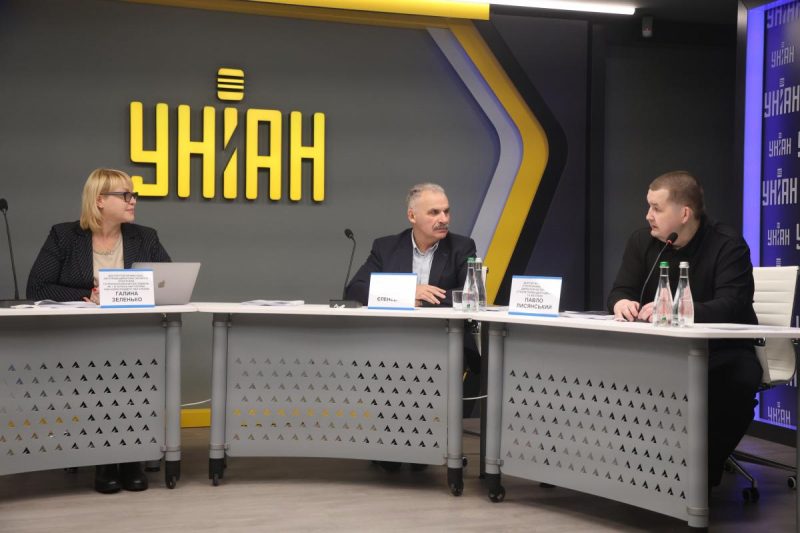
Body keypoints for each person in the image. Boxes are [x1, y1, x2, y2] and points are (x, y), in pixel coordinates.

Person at [607, 170, 760, 489]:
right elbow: (621, 289)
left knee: (739, 379)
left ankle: (700, 478)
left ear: (684, 213)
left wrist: (675, 311)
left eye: (656, 208)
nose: (648, 216)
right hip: (660, 349)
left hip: (721, 351)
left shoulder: (728, 245)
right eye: (648, 206)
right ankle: (628, 468)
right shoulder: (642, 241)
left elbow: (732, 305)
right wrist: (621, 302)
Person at [27, 168, 171, 493]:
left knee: (134, 369)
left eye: (134, 195)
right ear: (100, 200)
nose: (133, 201)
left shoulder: (145, 237)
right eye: (126, 195)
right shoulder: (64, 236)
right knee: (100, 371)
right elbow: (37, 287)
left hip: (134, 335)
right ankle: (106, 459)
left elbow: (167, 284)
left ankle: (131, 458)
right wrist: (88, 295)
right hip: (81, 337)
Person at [345, 183, 479, 471]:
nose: (443, 219)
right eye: (434, 212)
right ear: (412, 216)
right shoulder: (386, 247)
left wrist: (422, 298)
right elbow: (355, 289)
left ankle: (422, 450)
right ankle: (392, 448)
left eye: (446, 212)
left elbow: (470, 296)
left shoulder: (462, 247)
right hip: (394, 340)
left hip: (443, 341)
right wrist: (409, 292)